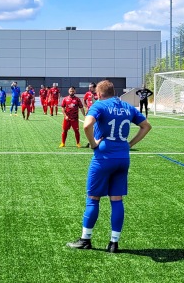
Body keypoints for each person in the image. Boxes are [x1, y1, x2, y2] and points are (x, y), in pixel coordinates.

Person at [67, 80, 152, 253]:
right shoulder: (128, 107)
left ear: (98, 94)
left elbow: (87, 125)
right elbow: (146, 126)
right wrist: (129, 144)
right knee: (117, 200)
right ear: (114, 92)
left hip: (103, 158)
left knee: (93, 199)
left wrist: (92, 143)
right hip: (123, 158)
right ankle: (114, 243)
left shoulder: (99, 105)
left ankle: (85, 239)